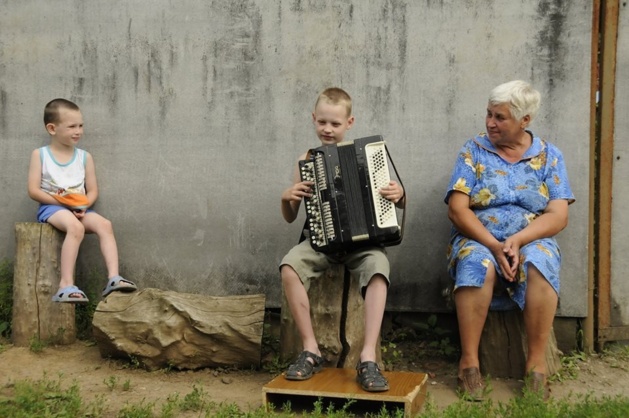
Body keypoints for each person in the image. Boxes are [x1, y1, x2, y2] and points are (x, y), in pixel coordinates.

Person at [444, 80, 575, 400]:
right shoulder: (473, 150)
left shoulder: (549, 156)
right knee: (477, 264)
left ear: (525, 120)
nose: (490, 122)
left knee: (540, 263)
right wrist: (493, 244)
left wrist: (516, 240)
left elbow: (558, 215)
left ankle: (536, 366)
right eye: (488, 114)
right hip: (478, 238)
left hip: (529, 238)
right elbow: (458, 210)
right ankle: (469, 364)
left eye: (500, 117)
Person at [279, 87, 405, 392]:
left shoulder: (370, 157)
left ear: (349, 122)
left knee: (378, 268)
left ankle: (367, 356)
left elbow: (393, 198)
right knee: (289, 266)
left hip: (362, 246)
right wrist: (287, 197)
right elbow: (289, 216)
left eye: (335, 123)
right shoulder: (305, 160)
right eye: (322, 122)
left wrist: (399, 195)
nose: (327, 129)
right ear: (313, 119)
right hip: (321, 242)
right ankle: (311, 349)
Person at [27, 98, 137, 304]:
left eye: (80, 125)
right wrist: (66, 205)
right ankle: (65, 285)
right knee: (75, 228)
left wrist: (83, 205)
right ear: (52, 128)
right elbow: (33, 190)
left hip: (80, 208)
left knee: (105, 225)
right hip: (52, 208)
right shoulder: (40, 155)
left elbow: (93, 190)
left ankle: (114, 278)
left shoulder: (84, 157)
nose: (78, 131)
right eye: (72, 126)